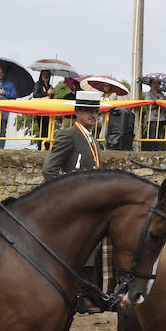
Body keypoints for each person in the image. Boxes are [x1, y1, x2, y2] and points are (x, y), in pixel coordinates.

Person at [44, 89, 106, 312]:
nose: (92, 114)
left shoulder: (93, 140)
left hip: (92, 204)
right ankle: (80, 295)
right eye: (87, 110)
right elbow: (49, 170)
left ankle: (93, 293)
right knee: (81, 251)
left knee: (94, 250)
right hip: (75, 205)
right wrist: (70, 194)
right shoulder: (68, 135)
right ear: (77, 112)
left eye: (95, 111)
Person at [141, 77, 166, 150]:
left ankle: (157, 148)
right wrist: (158, 101)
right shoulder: (149, 94)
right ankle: (152, 149)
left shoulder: (161, 94)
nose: (156, 85)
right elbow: (148, 104)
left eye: (158, 83)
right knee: (152, 134)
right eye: (154, 83)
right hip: (152, 118)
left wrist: (161, 99)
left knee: (159, 134)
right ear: (150, 85)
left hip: (162, 117)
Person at [31, 68, 55, 149]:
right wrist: (46, 93)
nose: (46, 76)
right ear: (41, 75)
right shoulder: (38, 84)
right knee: (42, 128)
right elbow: (35, 95)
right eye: (44, 74)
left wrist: (52, 94)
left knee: (48, 128)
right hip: (40, 110)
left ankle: (47, 146)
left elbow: (51, 98)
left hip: (48, 110)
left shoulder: (50, 86)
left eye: (47, 75)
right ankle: (40, 146)